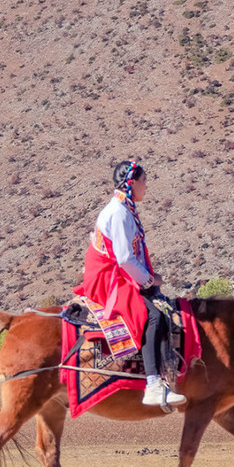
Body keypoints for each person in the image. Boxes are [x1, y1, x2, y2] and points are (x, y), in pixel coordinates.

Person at [74, 160, 187, 408]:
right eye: (144, 181)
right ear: (132, 182)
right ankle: (153, 384)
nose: (146, 186)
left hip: (116, 272)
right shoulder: (119, 212)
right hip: (107, 277)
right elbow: (125, 259)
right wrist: (148, 279)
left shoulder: (124, 210)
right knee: (153, 315)